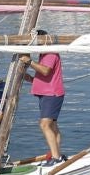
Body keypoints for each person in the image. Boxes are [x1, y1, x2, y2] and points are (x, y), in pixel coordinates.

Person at [18, 30, 65, 163]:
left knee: (45, 125)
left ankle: (56, 157)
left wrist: (29, 61)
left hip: (52, 94)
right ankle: (57, 154)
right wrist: (32, 80)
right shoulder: (43, 54)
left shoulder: (50, 53)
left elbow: (45, 71)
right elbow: (47, 76)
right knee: (53, 125)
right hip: (47, 93)